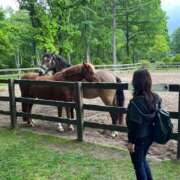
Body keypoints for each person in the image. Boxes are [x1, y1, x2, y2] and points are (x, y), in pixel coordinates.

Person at [126, 68, 161, 180]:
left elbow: (133, 125)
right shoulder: (156, 98)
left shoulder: (135, 102)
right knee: (142, 160)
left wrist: (131, 142)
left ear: (135, 83)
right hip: (150, 136)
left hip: (138, 139)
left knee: (138, 165)